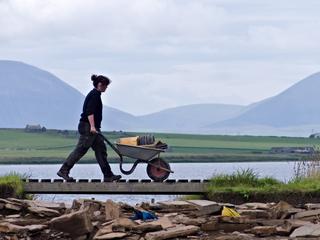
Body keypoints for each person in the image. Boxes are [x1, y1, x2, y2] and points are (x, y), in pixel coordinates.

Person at [57, 74, 122, 182]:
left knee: (101, 150)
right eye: (106, 85)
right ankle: (64, 170)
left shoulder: (96, 94)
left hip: (93, 128)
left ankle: (108, 175)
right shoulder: (94, 95)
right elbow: (89, 112)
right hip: (88, 127)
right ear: (100, 85)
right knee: (81, 149)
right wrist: (92, 126)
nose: (107, 88)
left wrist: (95, 127)